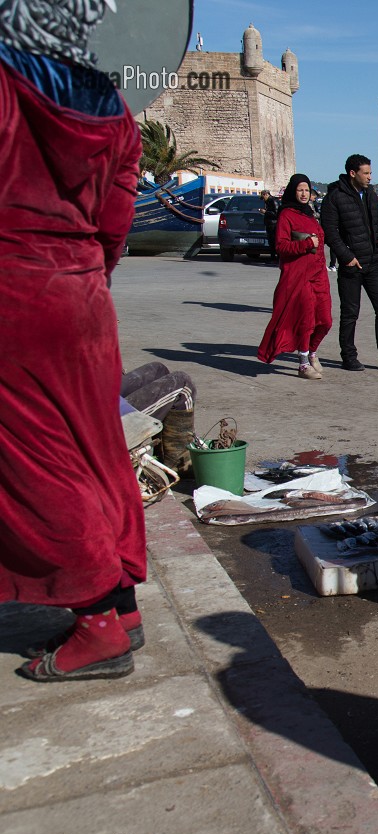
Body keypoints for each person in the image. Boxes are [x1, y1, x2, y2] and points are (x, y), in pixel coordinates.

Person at [1, 12, 148, 681]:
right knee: (96, 447)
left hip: (14, 295)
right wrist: (85, 277)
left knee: (36, 464)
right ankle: (121, 598)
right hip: (86, 297)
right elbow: (116, 226)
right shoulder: (115, 110)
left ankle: (95, 623)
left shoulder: (6, 85)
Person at [320, 154, 378, 372]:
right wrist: (346, 256)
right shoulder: (335, 196)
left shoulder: (369, 194)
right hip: (351, 265)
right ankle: (348, 355)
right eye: (366, 173)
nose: (370, 177)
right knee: (350, 313)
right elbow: (329, 232)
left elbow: (374, 222)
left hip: (374, 263)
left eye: (370, 173)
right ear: (353, 173)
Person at [257, 174, 332, 380]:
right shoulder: (286, 215)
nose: (304, 194)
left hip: (319, 276)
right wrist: (307, 244)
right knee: (306, 321)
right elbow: (280, 246)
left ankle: (313, 351)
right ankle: (303, 362)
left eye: (307, 190)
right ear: (292, 191)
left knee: (325, 321)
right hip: (298, 276)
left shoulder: (310, 214)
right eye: (300, 190)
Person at [259, 188, 279, 262]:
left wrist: (265, 212)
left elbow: (276, 214)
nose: (263, 199)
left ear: (266, 194)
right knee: (271, 242)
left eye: (263, 197)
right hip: (269, 224)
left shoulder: (273, 201)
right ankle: (272, 257)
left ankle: (276, 258)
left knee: (274, 241)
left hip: (274, 224)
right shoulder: (267, 202)